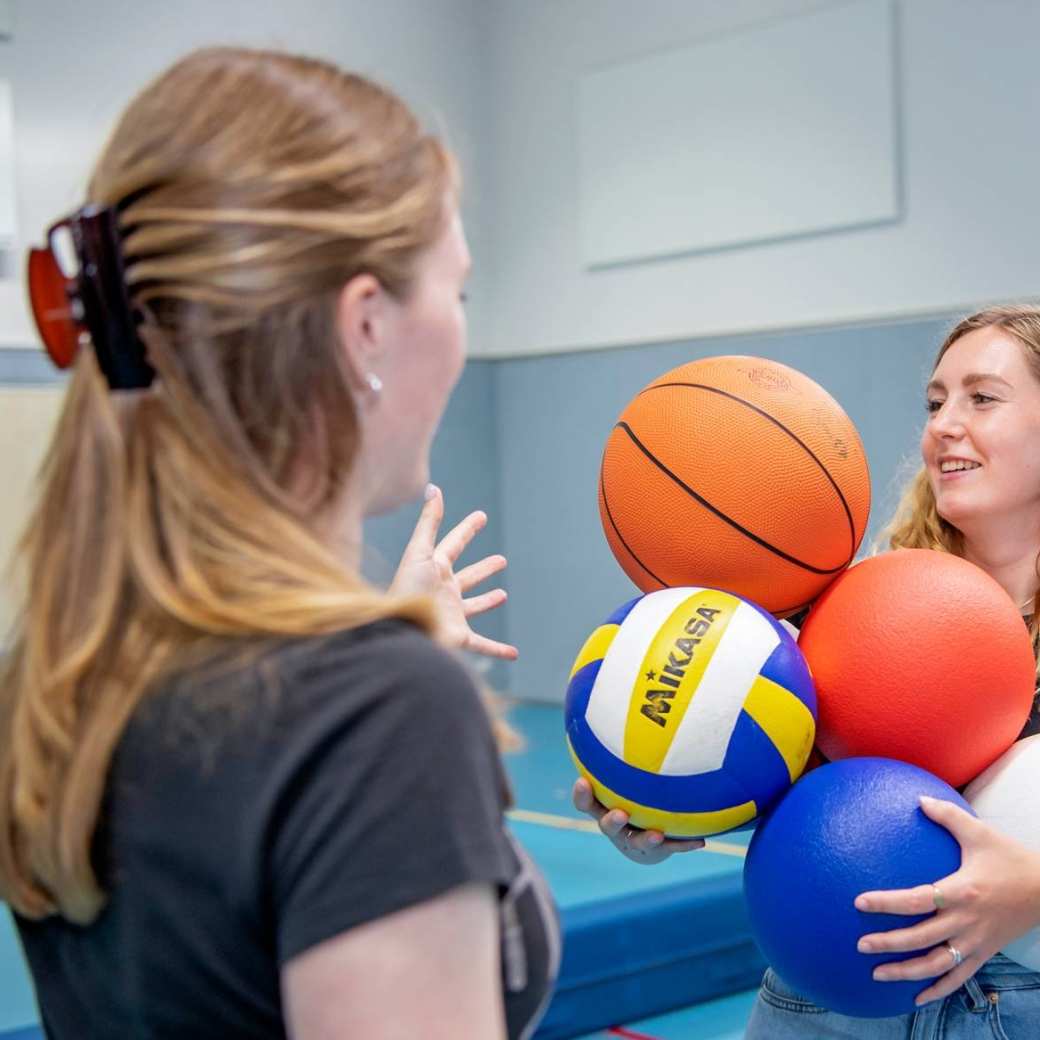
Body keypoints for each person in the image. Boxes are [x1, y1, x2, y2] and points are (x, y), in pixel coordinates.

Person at [0, 48, 558, 1040]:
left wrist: (381, 654)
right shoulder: (375, 714)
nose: (461, 332)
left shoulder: (58, 672)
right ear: (365, 327)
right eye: (457, 292)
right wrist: (382, 687)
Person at [574, 304, 1040, 1037]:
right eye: (935, 401)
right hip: (824, 998)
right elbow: (794, 793)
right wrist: (664, 799)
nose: (945, 423)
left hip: (1014, 1004)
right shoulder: (842, 613)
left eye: (982, 397)